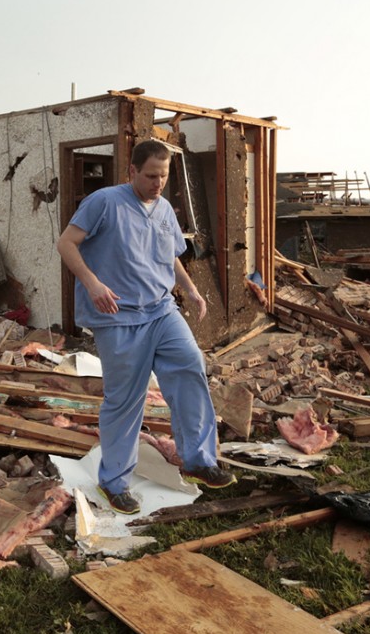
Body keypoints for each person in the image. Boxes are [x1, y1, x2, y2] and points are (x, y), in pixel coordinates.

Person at [56, 140, 236, 515]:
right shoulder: (104, 202)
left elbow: (168, 255)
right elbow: (66, 244)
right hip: (118, 317)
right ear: (132, 172)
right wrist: (92, 283)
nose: (158, 183)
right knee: (126, 399)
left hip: (161, 310)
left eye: (164, 176)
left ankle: (199, 460)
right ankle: (114, 482)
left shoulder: (165, 208)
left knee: (190, 367)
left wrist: (190, 290)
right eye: (151, 175)